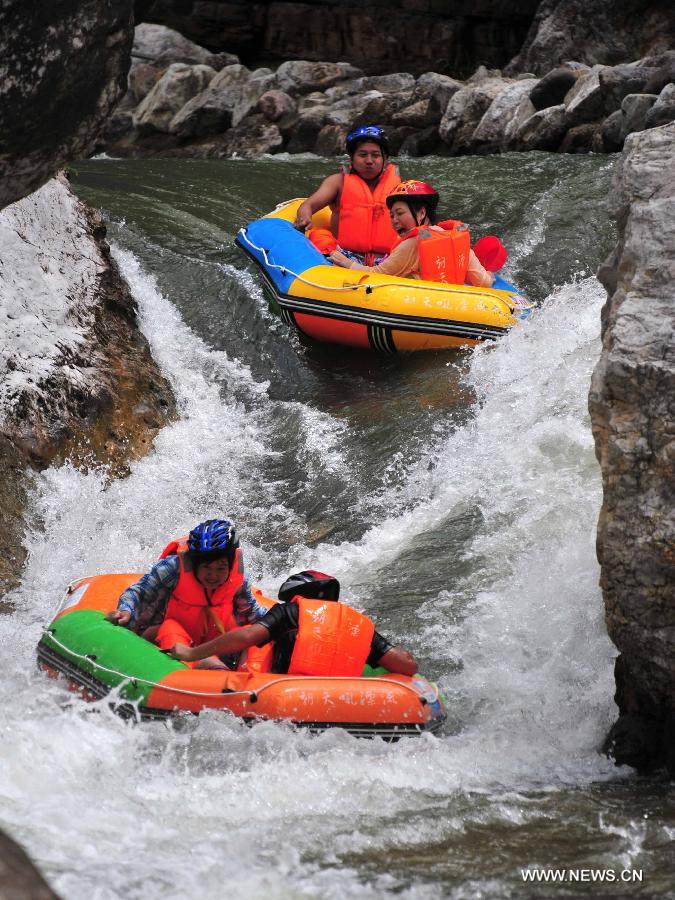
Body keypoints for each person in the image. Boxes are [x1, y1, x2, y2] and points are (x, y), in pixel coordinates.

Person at [169, 570, 418, 677]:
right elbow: (406, 666)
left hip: (281, 697)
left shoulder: (292, 611)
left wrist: (192, 652)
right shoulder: (357, 624)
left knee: (209, 662)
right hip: (342, 704)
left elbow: (247, 637)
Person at [106, 519, 267, 669]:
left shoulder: (238, 580)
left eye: (220, 568)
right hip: (172, 638)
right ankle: (197, 672)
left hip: (214, 644)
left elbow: (252, 613)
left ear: (230, 565)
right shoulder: (173, 569)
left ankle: (250, 677)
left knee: (256, 631)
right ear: (195, 564)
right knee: (170, 627)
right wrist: (126, 610)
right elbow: (139, 592)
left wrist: (283, 617)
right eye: (206, 568)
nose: (213, 575)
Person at [329, 180, 497, 287]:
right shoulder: (455, 238)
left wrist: (346, 263)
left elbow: (377, 275)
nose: (394, 220)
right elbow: (483, 282)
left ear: (422, 213)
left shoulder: (413, 242)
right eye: (392, 215)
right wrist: (489, 274)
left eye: (400, 213)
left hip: (417, 309)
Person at [293, 125, 401, 265]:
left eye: (375, 155)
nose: (369, 161)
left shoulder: (399, 187)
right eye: (362, 155)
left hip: (386, 259)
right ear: (352, 158)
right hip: (344, 256)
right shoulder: (338, 182)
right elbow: (308, 205)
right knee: (319, 237)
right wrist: (304, 219)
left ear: (385, 160)